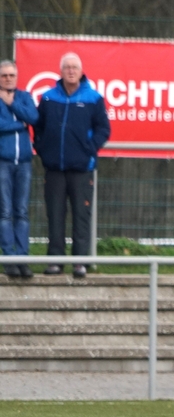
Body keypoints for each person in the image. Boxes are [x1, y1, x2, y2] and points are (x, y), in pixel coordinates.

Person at [33, 52, 110, 279]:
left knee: (81, 215)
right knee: (55, 215)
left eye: (74, 67)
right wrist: (43, 149)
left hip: (82, 169)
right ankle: (55, 261)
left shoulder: (93, 98)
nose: (70, 71)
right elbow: (38, 127)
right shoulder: (48, 98)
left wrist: (89, 149)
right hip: (54, 169)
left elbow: (103, 129)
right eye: (67, 67)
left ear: (81, 71)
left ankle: (79, 262)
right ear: (61, 71)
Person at [0, 60, 38, 278]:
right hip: (3, 162)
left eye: (11, 75)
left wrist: (13, 104)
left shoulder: (24, 97)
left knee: (21, 211)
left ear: (16, 76)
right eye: (4, 75)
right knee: (5, 212)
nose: (8, 79)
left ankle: (23, 258)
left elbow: (33, 117)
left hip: (23, 162)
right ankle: (9, 258)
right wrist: (19, 125)